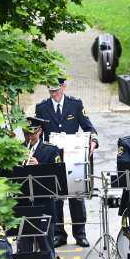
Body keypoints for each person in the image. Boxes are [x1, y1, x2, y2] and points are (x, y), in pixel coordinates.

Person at [2, 116, 61, 259]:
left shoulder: (51, 151)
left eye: (32, 133)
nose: (29, 137)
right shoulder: (17, 150)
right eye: (26, 133)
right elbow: (8, 177)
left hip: (44, 206)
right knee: (24, 249)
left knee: (47, 248)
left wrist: (39, 167)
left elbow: (57, 180)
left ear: (40, 132)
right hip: (23, 206)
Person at [35, 77, 98, 248]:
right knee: (55, 198)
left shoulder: (75, 104)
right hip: (52, 158)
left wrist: (93, 142)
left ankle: (80, 234)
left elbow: (89, 127)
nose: (53, 93)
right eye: (51, 91)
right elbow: (37, 132)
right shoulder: (42, 108)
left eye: (56, 90)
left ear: (64, 87)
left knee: (76, 197)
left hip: (73, 156)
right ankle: (59, 234)